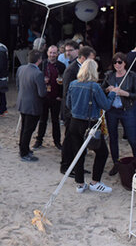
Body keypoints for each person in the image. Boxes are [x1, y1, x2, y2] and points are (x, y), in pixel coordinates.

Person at [64, 59, 116, 194]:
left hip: (74, 122)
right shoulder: (94, 86)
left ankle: (80, 183)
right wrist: (112, 94)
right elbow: (106, 106)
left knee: (78, 152)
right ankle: (95, 182)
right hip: (90, 123)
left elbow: (68, 104)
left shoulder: (73, 84)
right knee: (102, 152)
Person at [102, 52, 136, 176]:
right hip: (112, 111)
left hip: (127, 110)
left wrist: (125, 93)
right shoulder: (109, 76)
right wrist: (108, 90)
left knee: (132, 138)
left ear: (125, 63)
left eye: (120, 62)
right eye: (115, 62)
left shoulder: (132, 76)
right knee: (113, 138)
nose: (117, 65)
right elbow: (101, 90)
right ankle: (116, 164)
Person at [60, 46, 96, 174]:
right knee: (69, 140)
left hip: (79, 112)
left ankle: (76, 166)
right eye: (91, 59)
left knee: (78, 142)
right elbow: (66, 94)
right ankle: (65, 166)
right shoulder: (71, 70)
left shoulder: (80, 69)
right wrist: (69, 113)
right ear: (83, 58)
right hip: (71, 112)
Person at [16, 50, 47, 162]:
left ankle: (23, 148)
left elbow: (17, 84)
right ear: (39, 60)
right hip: (33, 105)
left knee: (24, 128)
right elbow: (41, 93)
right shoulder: (38, 73)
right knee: (28, 130)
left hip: (23, 102)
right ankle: (24, 152)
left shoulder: (21, 68)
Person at [35, 45, 66, 150]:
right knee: (42, 120)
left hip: (55, 97)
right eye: (51, 52)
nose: (52, 55)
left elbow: (64, 82)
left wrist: (60, 96)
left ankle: (57, 142)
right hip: (44, 96)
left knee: (55, 121)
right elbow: (36, 79)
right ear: (47, 53)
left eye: (54, 53)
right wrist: (42, 81)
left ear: (57, 54)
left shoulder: (61, 66)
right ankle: (39, 140)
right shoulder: (42, 64)